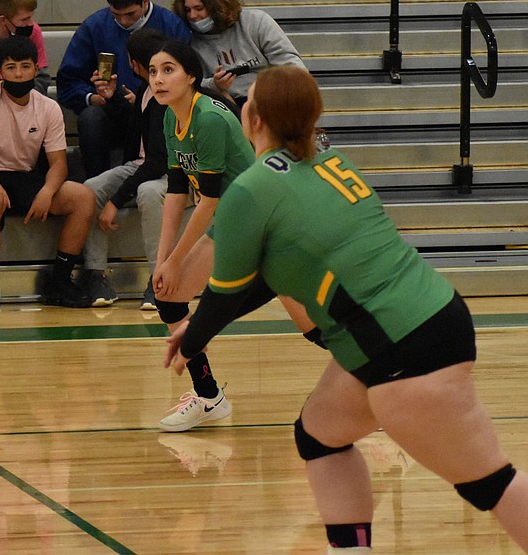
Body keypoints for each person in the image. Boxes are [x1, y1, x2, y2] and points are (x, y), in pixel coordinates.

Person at [165, 65, 528, 554]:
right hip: (426, 315)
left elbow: (224, 293)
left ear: (251, 118)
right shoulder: (335, 162)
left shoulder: (250, 191)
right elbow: (253, 281)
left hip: (400, 344)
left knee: (490, 483)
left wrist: (190, 340)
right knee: (319, 435)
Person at [150, 40, 317, 432]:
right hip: (235, 221)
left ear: (192, 76)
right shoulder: (170, 118)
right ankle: (209, 397)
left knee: (312, 327)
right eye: (154, 71)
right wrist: (162, 260)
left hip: (253, 220)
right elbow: (176, 192)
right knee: (167, 291)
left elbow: (207, 201)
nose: (158, 79)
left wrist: (175, 261)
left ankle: (385, 377)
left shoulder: (208, 118)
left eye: (168, 70)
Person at [0, 35, 96, 314]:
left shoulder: (48, 107)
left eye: (25, 66)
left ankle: (60, 281)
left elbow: (59, 163)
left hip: (22, 175)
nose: (18, 73)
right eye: (11, 67)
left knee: (83, 197)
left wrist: (47, 191)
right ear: (0, 70)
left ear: (36, 69)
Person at [57, 0, 190, 179]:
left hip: (159, 115)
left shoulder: (171, 26)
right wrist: (94, 97)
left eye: (130, 14)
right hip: (113, 115)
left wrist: (150, 100)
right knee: (91, 118)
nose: (124, 22)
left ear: (145, 1)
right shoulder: (94, 26)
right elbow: (67, 82)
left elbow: (188, 80)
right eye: (116, 15)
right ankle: (98, 185)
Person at [81, 29, 167, 309]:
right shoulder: (144, 90)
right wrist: (114, 98)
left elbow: (157, 162)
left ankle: (158, 280)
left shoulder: (168, 96)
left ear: (133, 63)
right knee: (89, 189)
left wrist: (115, 202)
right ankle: (95, 274)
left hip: (171, 172)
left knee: (150, 192)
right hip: (139, 165)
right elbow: (137, 132)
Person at [171, 0, 304, 109]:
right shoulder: (187, 38)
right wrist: (214, 85)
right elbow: (187, 84)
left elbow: (290, 63)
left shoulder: (256, 22)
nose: (193, 16)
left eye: (199, 9)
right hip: (220, 104)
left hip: (266, 99)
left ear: (217, 6)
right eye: (188, 10)